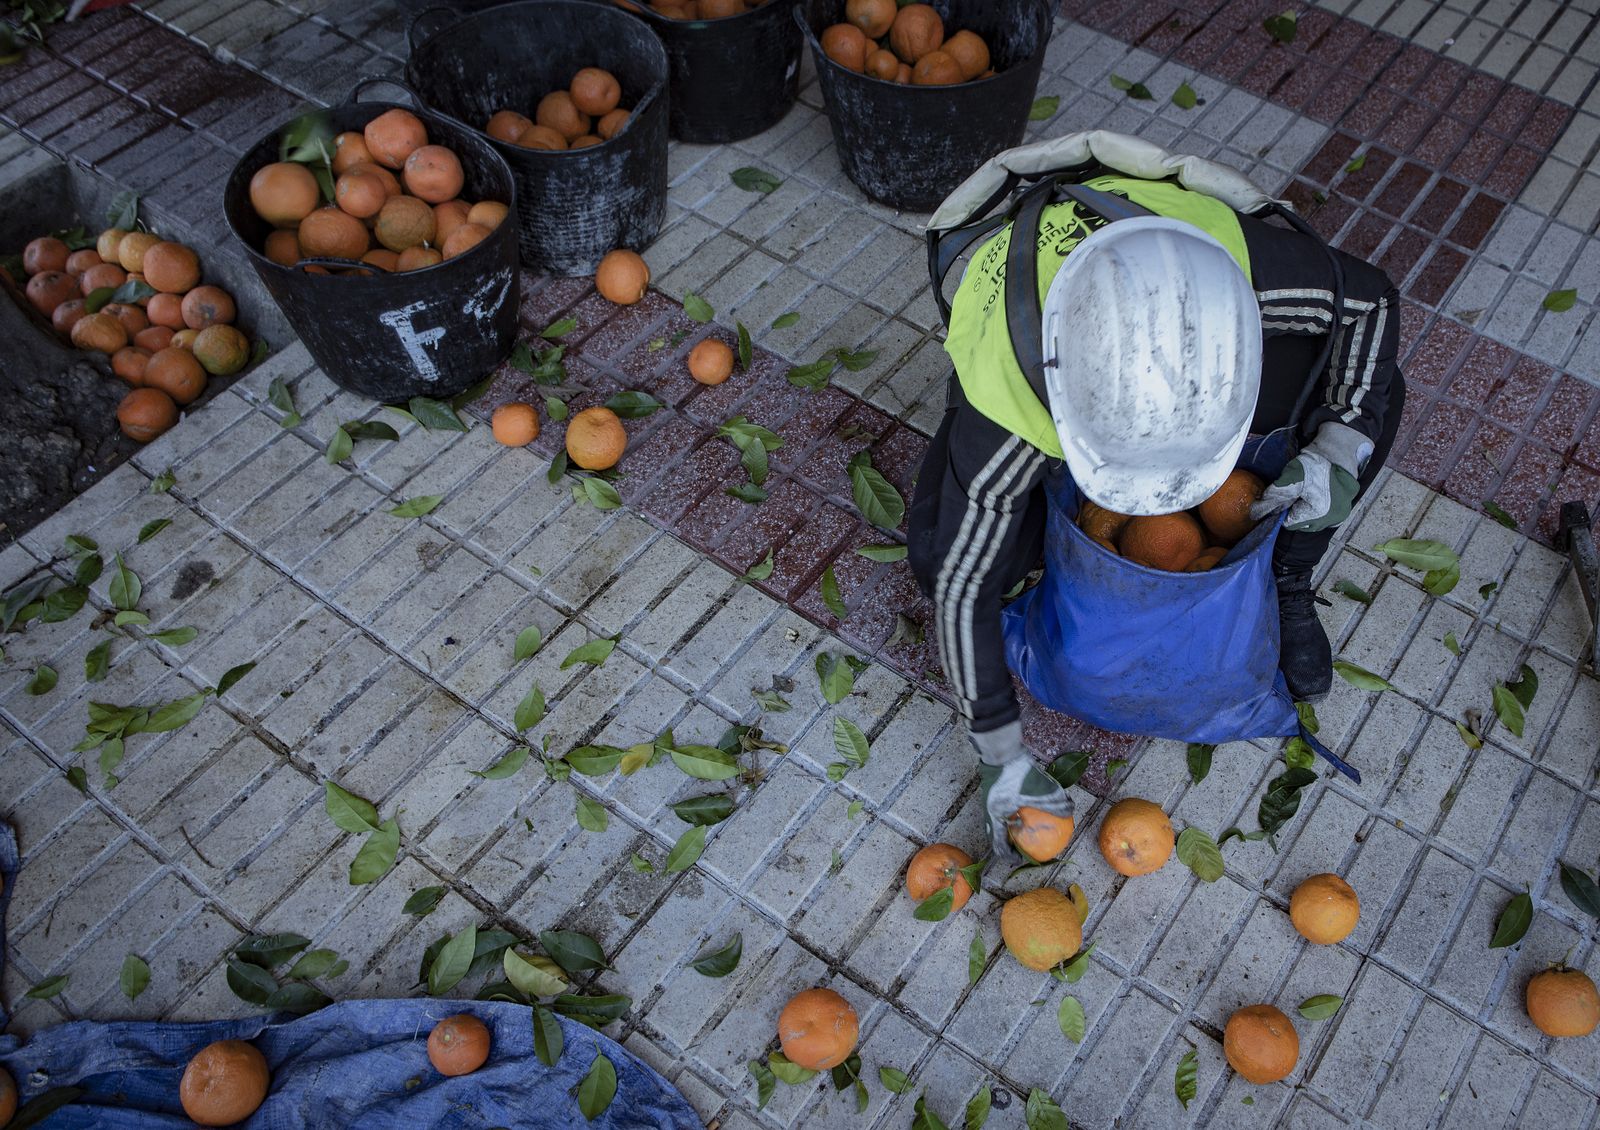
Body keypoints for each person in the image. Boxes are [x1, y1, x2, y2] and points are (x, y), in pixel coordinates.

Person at [908, 167, 1405, 860]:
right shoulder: (1011, 411)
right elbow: (962, 587)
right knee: (942, 559)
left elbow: (1370, 302)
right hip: (1029, 359)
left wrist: (1338, 444)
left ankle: (1284, 575)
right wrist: (1001, 751)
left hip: (1187, 286)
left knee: (1369, 393)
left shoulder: (1230, 272)